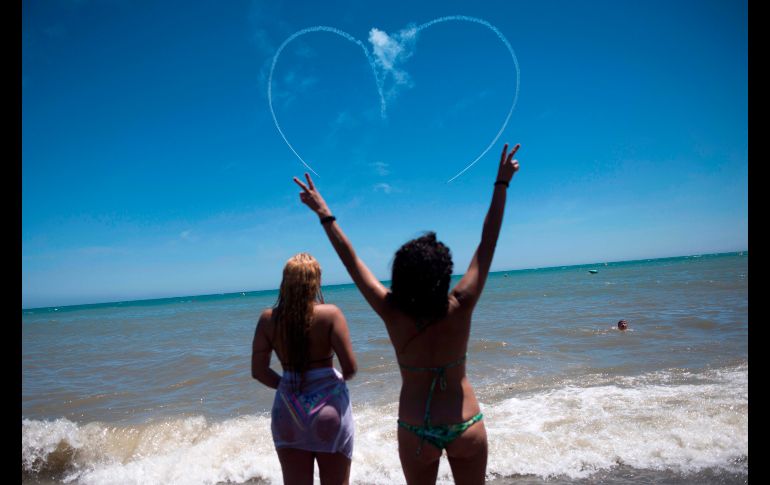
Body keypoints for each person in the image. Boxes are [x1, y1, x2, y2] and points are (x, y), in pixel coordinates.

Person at [293, 143, 521, 484]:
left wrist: (324, 213)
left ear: (400, 275)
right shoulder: (461, 304)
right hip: (465, 422)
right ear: (444, 275)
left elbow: (352, 261)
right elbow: (487, 243)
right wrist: (501, 185)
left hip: (416, 428)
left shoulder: (391, 310)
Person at [251, 253, 358, 485]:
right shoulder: (330, 315)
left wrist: (286, 385)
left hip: (288, 410)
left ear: (285, 282)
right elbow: (350, 368)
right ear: (316, 281)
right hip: (328, 408)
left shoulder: (268, 319)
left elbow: (259, 371)